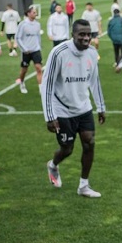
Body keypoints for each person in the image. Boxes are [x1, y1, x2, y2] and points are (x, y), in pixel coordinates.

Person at [40, 19, 107, 198]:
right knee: (67, 148)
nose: (86, 38)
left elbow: (95, 81)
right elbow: (47, 85)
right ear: (73, 34)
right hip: (61, 109)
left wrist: (101, 106)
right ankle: (53, 165)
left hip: (83, 107)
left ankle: (83, 185)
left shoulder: (92, 53)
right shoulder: (59, 53)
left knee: (89, 142)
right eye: (82, 35)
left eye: (89, 34)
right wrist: (49, 115)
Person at [15, 6, 43, 94]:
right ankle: (22, 83)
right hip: (26, 52)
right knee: (24, 70)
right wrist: (24, 49)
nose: (36, 14)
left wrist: (39, 46)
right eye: (34, 12)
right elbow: (18, 38)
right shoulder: (22, 24)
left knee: (39, 68)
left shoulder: (37, 24)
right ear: (28, 13)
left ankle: (41, 88)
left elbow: (38, 36)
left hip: (36, 50)